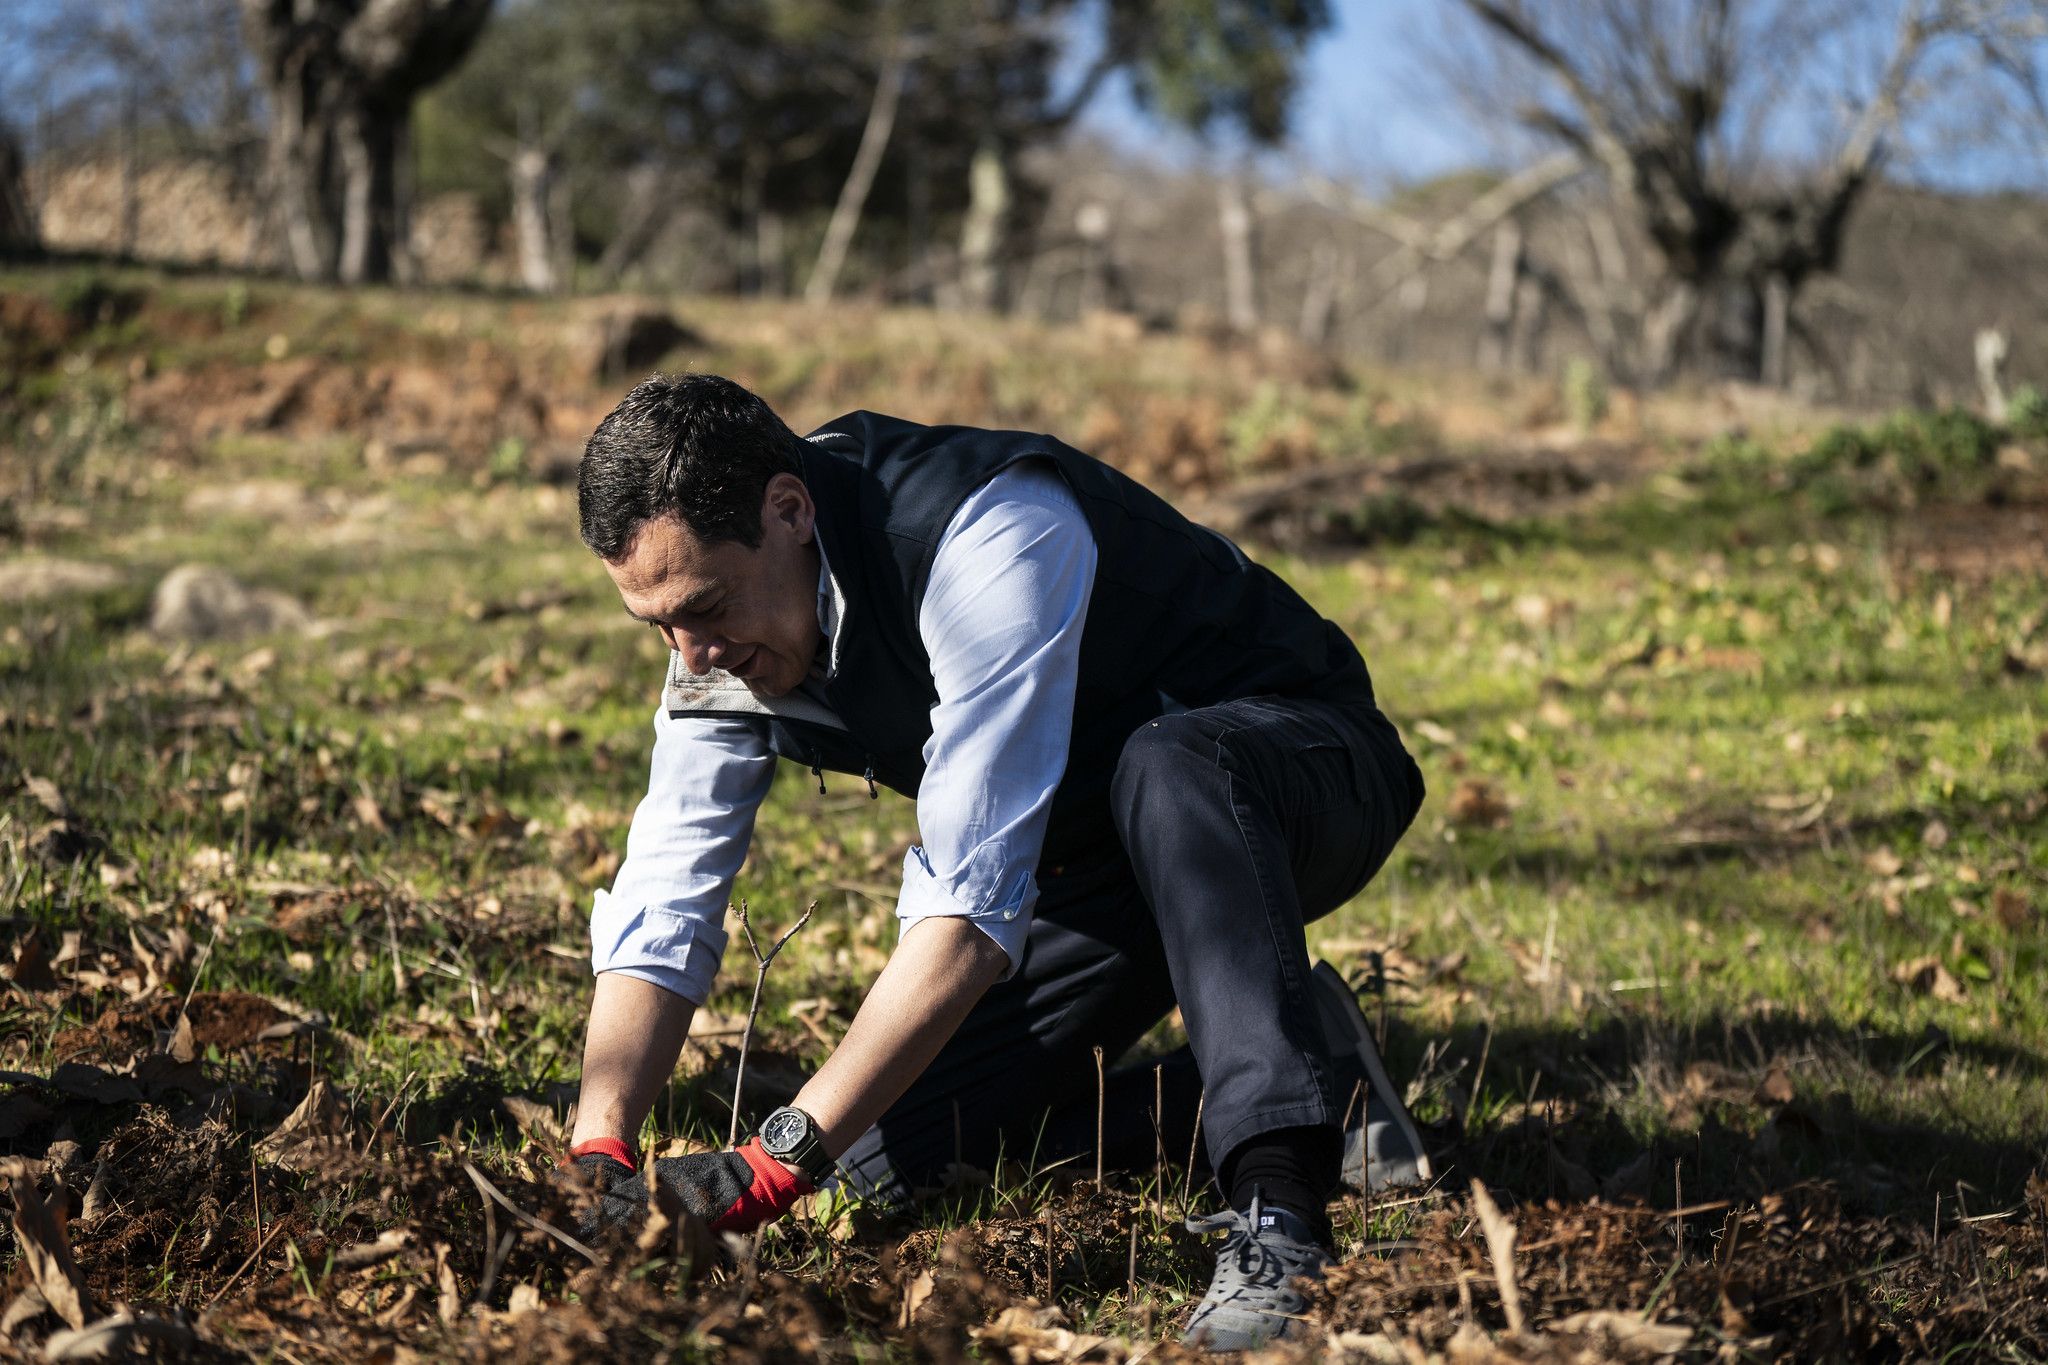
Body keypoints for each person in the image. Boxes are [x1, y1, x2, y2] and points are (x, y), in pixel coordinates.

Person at [562, 373, 1429, 1350]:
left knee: (1167, 760)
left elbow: (969, 919)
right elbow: (670, 888)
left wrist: (772, 1161)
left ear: (789, 510)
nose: (692, 654)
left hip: (1294, 782)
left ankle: (1280, 1213)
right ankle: (1322, 1072)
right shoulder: (718, 643)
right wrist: (601, 1143)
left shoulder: (988, 533)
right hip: (1097, 867)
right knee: (883, 1163)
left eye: (705, 606)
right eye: (661, 626)